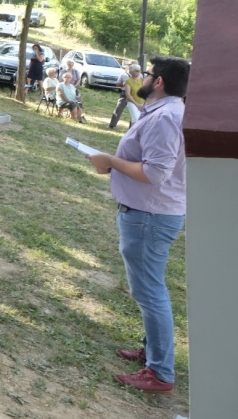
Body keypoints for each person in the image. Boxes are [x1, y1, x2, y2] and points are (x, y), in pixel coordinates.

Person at [86, 56, 190, 394]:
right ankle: (153, 352)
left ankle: (159, 372)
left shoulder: (166, 117)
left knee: (150, 292)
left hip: (150, 216)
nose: (142, 78)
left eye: (147, 74)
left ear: (158, 81)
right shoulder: (164, 112)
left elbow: (155, 173)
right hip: (150, 214)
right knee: (148, 288)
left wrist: (111, 161)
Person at [108, 61, 134, 128]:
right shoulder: (123, 74)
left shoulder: (140, 75)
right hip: (124, 93)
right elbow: (117, 84)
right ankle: (112, 125)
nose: (131, 66)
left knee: (134, 111)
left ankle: (132, 127)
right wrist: (123, 84)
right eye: (129, 65)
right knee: (118, 109)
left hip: (135, 95)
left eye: (133, 65)